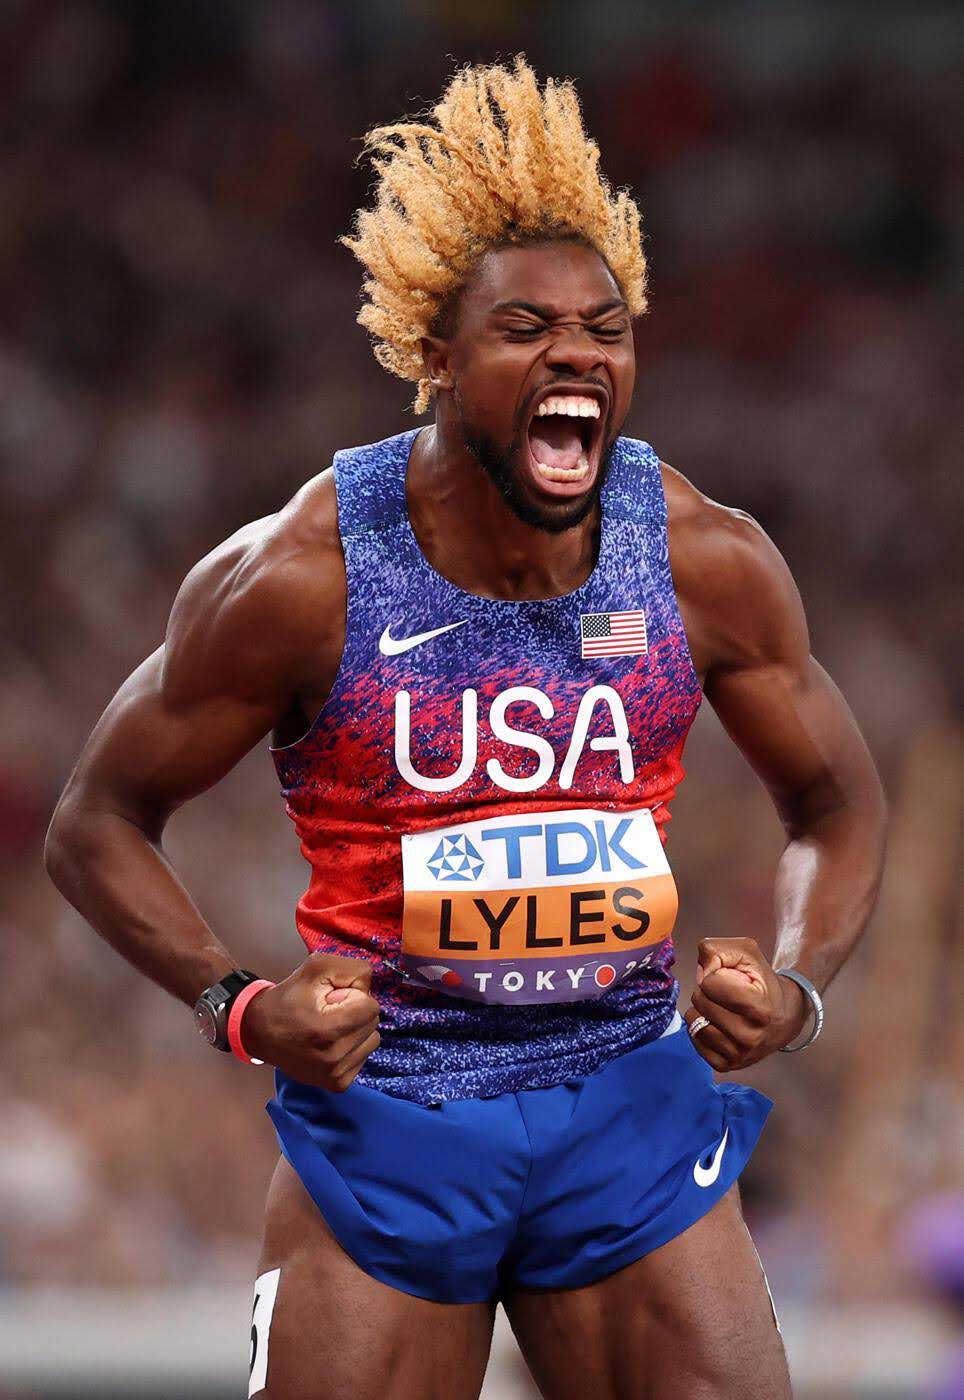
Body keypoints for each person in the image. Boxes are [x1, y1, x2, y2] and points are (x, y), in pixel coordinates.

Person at [45, 58, 886, 1400]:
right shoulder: (303, 576)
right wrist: (237, 1007)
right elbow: (93, 821)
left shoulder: (701, 559)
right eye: (525, 329)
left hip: (621, 1097)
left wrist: (801, 984)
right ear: (434, 356)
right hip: (395, 1119)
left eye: (605, 328)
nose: (577, 355)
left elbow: (836, 807)